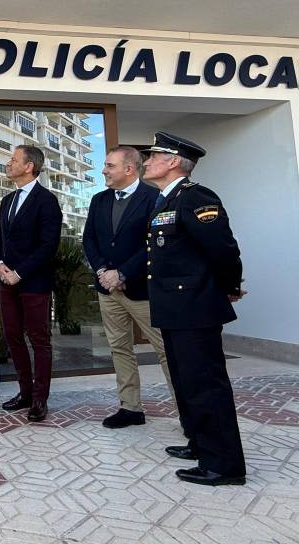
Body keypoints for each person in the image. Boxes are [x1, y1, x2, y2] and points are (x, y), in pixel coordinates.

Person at [141, 131, 246, 486]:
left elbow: (223, 249)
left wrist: (228, 288)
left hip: (195, 307)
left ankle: (224, 466)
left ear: (173, 161)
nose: (146, 162)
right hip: (176, 308)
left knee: (205, 386)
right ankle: (201, 444)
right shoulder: (165, 200)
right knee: (187, 383)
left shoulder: (195, 197)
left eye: (153, 156)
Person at [83, 147, 175, 429]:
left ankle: (189, 412)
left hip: (142, 291)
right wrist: (103, 271)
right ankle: (130, 408)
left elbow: (155, 244)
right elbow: (89, 240)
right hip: (108, 290)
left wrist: (123, 273)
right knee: (119, 349)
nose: (104, 170)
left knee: (166, 350)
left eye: (109, 165)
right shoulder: (99, 200)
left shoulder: (154, 198)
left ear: (129, 169)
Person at [0, 145, 62, 422]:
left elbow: (48, 246)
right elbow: (0, 240)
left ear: (29, 166)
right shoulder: (7, 200)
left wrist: (19, 273)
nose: (8, 163)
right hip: (6, 281)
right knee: (12, 336)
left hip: (34, 282)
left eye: (13, 159)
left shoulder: (47, 200)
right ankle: (24, 393)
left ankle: (39, 399)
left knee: (38, 339)